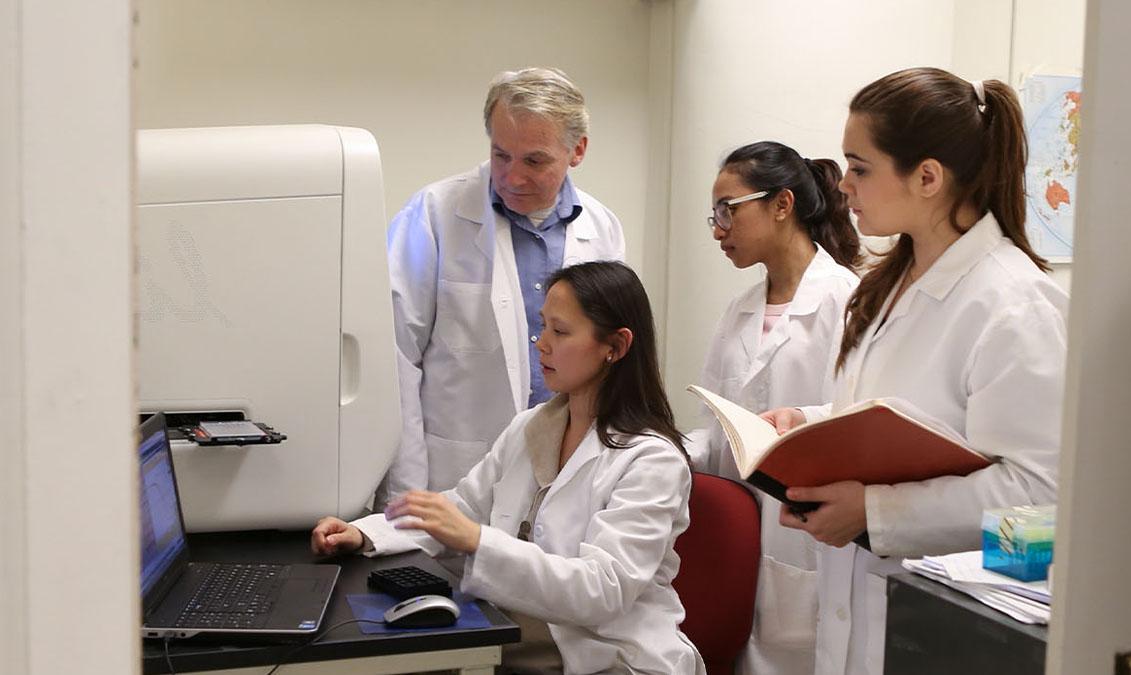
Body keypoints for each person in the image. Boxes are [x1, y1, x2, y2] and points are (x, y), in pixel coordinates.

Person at [763, 68, 1068, 675]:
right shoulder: (886, 285)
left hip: (944, 628)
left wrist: (876, 514)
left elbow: (1040, 497)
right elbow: (900, 414)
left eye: (860, 167)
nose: (843, 185)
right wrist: (808, 420)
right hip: (857, 606)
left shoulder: (1015, 304)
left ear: (927, 177)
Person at [314, 261, 703, 675]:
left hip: (607, 655)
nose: (542, 342)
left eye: (561, 331)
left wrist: (478, 541)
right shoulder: (531, 427)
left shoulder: (651, 460)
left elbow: (601, 591)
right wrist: (366, 533)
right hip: (520, 633)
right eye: (543, 326)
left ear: (616, 346)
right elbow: (461, 508)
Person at [381, 67, 625, 502]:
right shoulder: (435, 214)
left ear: (577, 151)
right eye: (500, 155)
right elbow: (394, 356)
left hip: (566, 470)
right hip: (455, 470)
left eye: (534, 160)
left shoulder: (602, 228)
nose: (512, 177)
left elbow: (609, 361)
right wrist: (406, 489)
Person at [688, 141, 860, 675]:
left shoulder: (846, 300)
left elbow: (855, 422)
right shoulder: (739, 311)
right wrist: (658, 450)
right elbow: (714, 429)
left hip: (807, 535)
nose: (718, 228)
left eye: (728, 210)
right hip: (740, 537)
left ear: (781, 205)